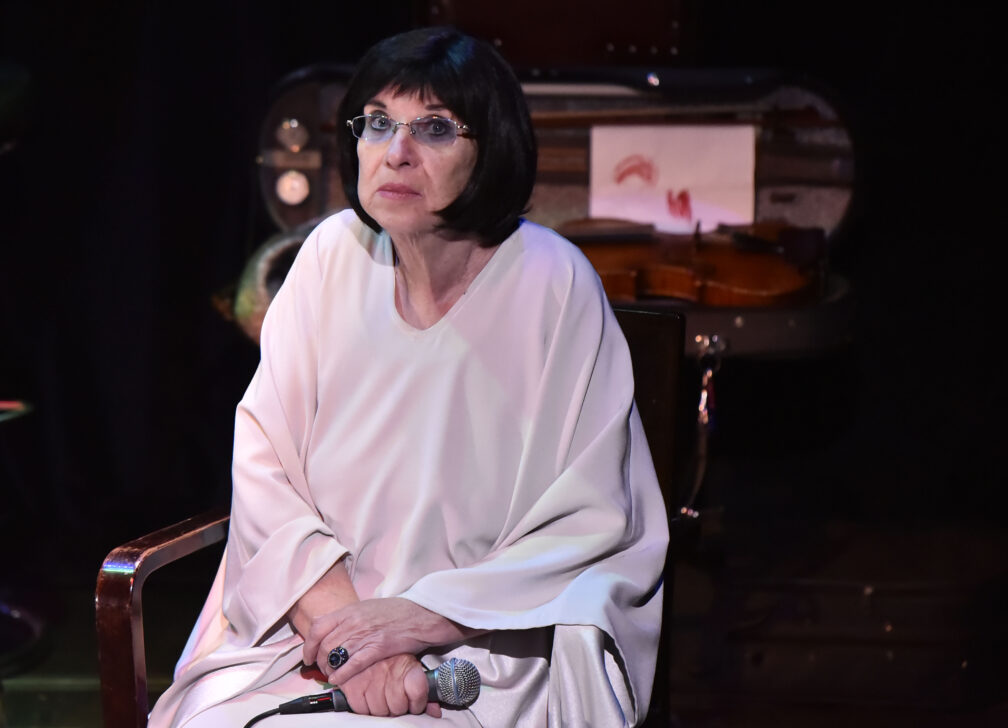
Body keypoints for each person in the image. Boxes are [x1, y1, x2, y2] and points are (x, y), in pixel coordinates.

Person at [148, 26, 668, 727]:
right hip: (308, 631)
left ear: (490, 149)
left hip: (486, 644)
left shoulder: (552, 280)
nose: (396, 151)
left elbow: (590, 518)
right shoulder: (331, 254)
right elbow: (267, 474)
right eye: (378, 123)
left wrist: (415, 621)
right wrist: (356, 645)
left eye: (435, 128)